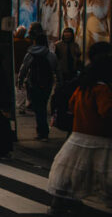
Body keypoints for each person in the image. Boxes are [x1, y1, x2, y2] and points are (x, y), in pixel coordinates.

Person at [46, 42, 112, 216]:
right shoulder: (102, 90)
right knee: (102, 173)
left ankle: (61, 202)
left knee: (70, 171)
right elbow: (107, 111)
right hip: (100, 137)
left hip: (78, 135)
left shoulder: (83, 86)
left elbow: (71, 104)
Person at [17, 26, 58, 140]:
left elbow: (24, 68)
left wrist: (20, 81)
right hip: (47, 83)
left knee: (38, 108)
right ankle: (43, 130)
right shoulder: (51, 55)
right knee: (43, 106)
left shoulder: (30, 53)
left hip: (33, 83)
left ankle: (42, 131)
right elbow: (55, 69)